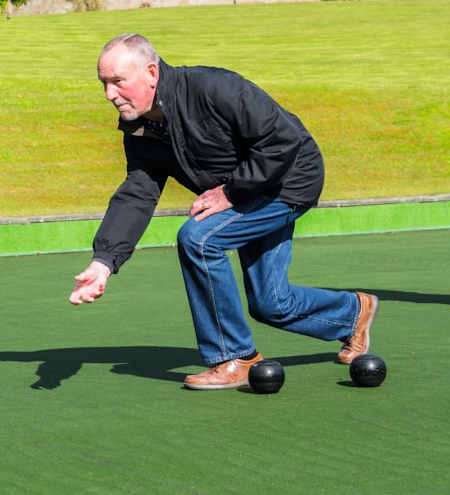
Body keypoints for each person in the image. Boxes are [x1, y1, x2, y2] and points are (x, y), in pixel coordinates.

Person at [69, 33, 378, 389]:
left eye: (118, 81)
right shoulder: (140, 126)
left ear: (151, 72)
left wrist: (231, 192)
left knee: (199, 239)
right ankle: (351, 314)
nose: (109, 94)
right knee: (272, 304)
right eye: (104, 83)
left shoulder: (213, 88)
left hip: (289, 180)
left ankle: (234, 357)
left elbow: (282, 141)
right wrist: (104, 260)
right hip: (248, 189)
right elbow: (138, 193)